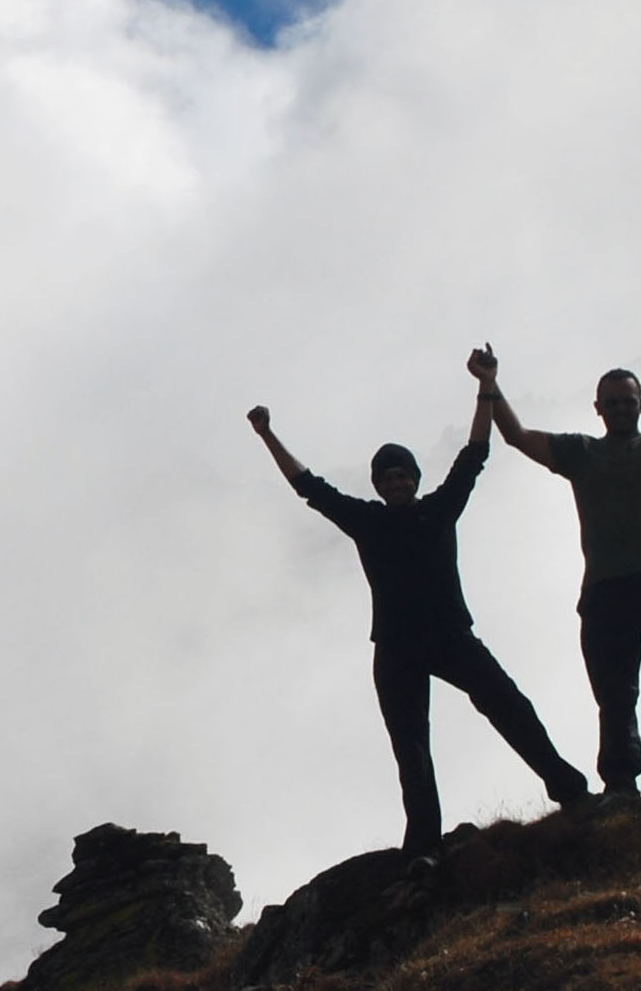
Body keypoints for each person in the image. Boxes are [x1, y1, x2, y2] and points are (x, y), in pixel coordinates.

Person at [251, 351, 593, 850]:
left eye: (402, 475)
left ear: (415, 478)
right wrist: (267, 436)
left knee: (508, 705)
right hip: (396, 647)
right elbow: (310, 487)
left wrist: (486, 387)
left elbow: (475, 454)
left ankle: (568, 790)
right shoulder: (366, 521)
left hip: (451, 636)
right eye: (387, 478)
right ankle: (424, 846)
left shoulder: (439, 509)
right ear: (378, 486)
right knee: (412, 749)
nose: (396, 482)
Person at [476, 309, 641, 798]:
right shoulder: (580, 453)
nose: (621, 408)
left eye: (628, 401)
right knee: (615, 695)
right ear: (598, 408)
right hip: (607, 590)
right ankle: (620, 781)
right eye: (613, 402)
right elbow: (515, 437)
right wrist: (490, 385)